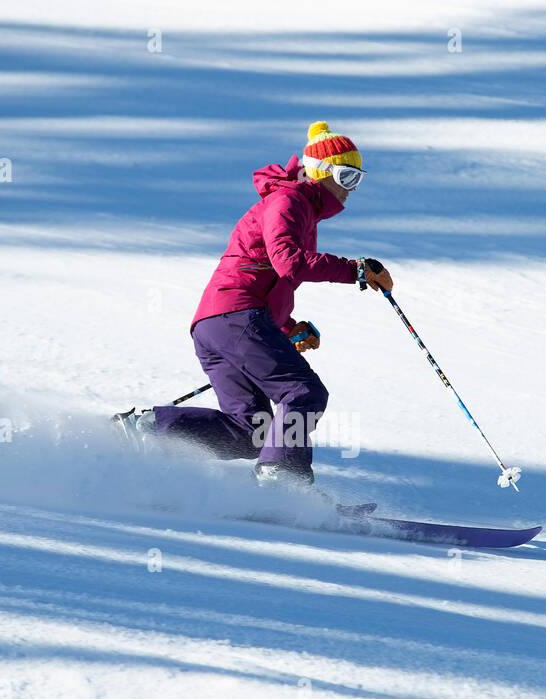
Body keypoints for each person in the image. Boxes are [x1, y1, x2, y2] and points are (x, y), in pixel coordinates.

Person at [113, 121, 393, 486]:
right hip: (236, 316)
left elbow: (269, 277)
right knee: (303, 392)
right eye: (346, 177)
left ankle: (147, 427)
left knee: (253, 431)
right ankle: (281, 479)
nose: (351, 189)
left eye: (358, 179)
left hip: (218, 323)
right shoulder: (288, 200)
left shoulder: (299, 208)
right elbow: (288, 262)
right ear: (320, 172)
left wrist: (285, 328)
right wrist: (354, 270)